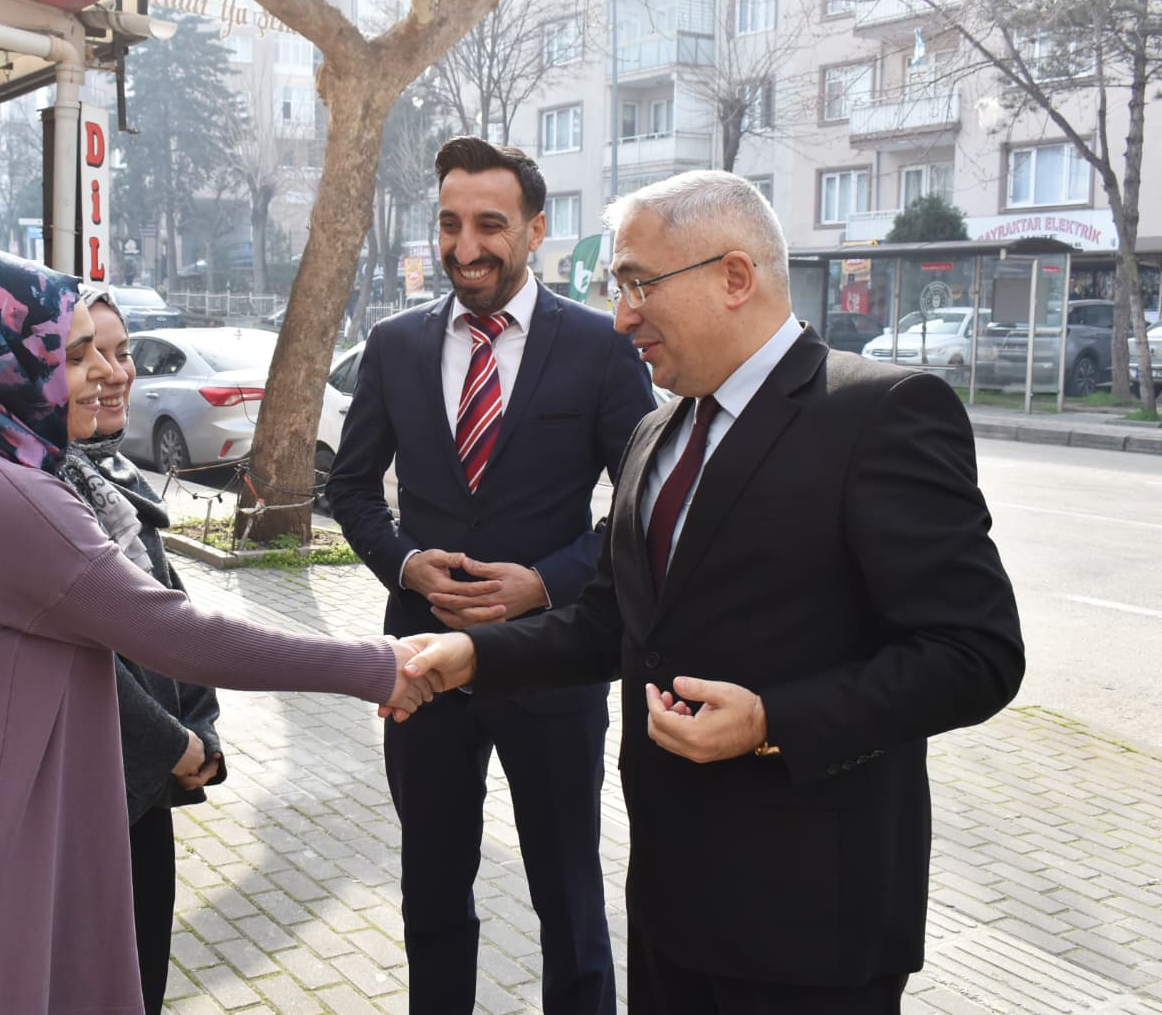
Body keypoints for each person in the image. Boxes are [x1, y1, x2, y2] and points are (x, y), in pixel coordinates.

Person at [400, 170, 1026, 1014]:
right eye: (616, 288)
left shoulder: (882, 413)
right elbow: (615, 624)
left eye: (637, 285)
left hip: (809, 927)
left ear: (735, 276)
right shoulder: (659, 430)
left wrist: (773, 721)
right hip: (668, 908)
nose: (621, 318)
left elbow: (976, 655)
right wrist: (467, 655)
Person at [0, 249, 428, 1015]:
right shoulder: (3, 492)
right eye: (70, 352)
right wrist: (377, 664)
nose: (93, 373)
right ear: (0, 360)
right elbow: (176, 634)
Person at [326, 136, 656, 1015]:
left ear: (536, 229)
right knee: (431, 893)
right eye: (449, 223)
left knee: (569, 900)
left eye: (489, 225)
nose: (465, 245)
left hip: (552, 665)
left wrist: (543, 583)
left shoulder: (598, 348)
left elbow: (646, 503)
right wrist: (401, 559)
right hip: (424, 665)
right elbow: (351, 486)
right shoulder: (394, 346)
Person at [55, 287, 223, 1015]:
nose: (112, 370)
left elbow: (173, 614)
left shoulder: (112, 481)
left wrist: (202, 726)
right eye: (82, 353)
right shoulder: (42, 491)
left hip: (144, 789)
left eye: (120, 352)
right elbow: (85, 658)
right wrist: (174, 742)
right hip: (91, 789)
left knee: (142, 977)